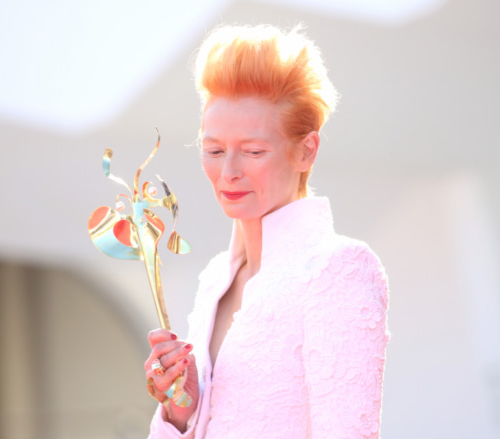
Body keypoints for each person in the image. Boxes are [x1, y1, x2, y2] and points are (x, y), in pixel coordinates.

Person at [144, 24, 390, 438]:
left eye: (254, 151)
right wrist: (180, 409)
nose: (229, 172)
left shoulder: (337, 269)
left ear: (306, 150)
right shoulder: (214, 281)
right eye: (214, 150)